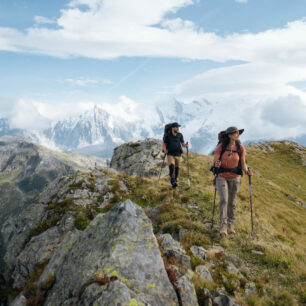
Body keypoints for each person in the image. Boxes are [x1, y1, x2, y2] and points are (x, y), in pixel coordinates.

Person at [212, 126, 253, 237]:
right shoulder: (221, 147)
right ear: (229, 135)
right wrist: (216, 164)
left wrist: (246, 171)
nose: (237, 134)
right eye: (235, 133)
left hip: (235, 177)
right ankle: (223, 227)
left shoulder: (241, 148)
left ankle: (231, 226)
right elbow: (215, 160)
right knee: (224, 200)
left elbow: (243, 163)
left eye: (238, 133)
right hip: (222, 176)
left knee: (232, 202)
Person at [162, 122, 189, 188]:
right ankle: (173, 181)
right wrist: (164, 150)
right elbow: (164, 144)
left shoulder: (180, 135)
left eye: (178, 127)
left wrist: (185, 145)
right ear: (172, 128)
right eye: (176, 127)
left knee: (177, 168)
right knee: (171, 166)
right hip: (170, 154)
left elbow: (182, 144)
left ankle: (175, 181)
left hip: (178, 154)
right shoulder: (167, 135)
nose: (178, 128)